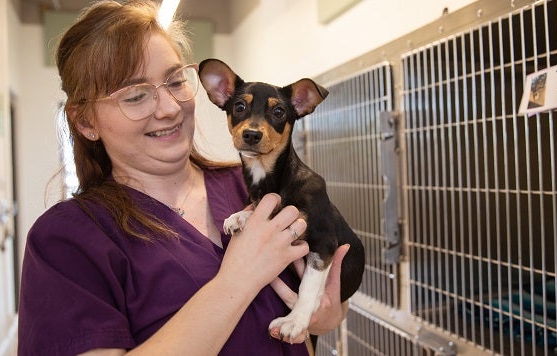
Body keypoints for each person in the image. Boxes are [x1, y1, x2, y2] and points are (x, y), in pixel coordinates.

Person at [17, 1, 349, 355]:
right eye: (135, 95)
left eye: (175, 80)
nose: (170, 108)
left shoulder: (253, 187)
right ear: (85, 122)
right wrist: (237, 280)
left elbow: (328, 294)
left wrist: (324, 315)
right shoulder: (67, 241)